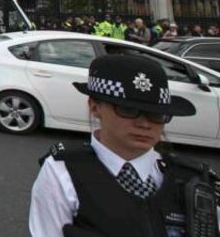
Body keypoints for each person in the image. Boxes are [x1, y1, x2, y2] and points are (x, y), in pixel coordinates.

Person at [29, 54, 213, 237]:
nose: (144, 124)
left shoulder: (190, 178)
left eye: (157, 115)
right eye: (128, 110)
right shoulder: (64, 171)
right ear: (95, 108)